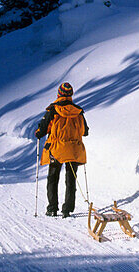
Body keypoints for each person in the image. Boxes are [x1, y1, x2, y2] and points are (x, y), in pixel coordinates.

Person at [35, 82, 88, 217]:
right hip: (73, 149)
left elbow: (42, 130)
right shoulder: (78, 111)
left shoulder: (53, 110)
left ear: (59, 94)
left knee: (53, 178)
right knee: (71, 179)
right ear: (71, 95)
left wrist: (38, 131)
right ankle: (67, 209)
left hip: (56, 150)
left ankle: (52, 208)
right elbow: (84, 131)